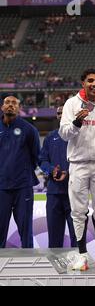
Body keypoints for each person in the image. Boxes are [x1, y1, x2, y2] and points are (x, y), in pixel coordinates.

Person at [59, 69, 95, 271]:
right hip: (78, 164)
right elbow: (64, 134)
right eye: (90, 80)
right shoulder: (71, 104)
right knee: (78, 212)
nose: (94, 83)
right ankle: (82, 255)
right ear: (83, 83)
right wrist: (77, 122)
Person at [0, 94, 40, 248]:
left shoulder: (29, 130)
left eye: (14, 103)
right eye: (7, 102)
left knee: (25, 230)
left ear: (19, 108)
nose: (10, 105)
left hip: (23, 187)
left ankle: (30, 264)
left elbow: (37, 156)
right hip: (1, 187)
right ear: (2, 107)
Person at [38, 106, 77, 248]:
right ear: (57, 116)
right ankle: (54, 268)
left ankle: (79, 264)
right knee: (54, 238)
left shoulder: (79, 136)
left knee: (77, 236)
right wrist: (51, 170)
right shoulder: (50, 137)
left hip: (75, 192)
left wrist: (68, 171)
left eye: (64, 112)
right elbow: (42, 160)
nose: (61, 115)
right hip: (54, 193)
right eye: (59, 113)